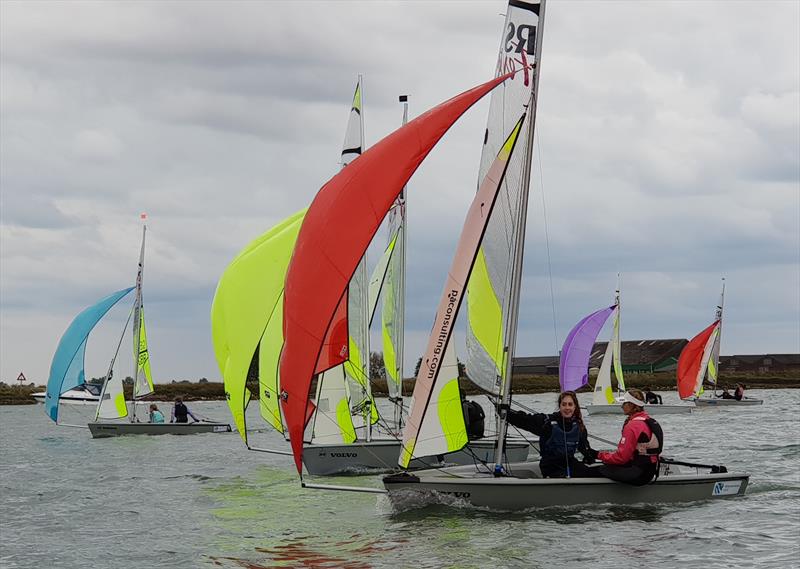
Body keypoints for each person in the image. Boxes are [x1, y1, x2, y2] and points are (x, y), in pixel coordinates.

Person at [504, 391, 597, 478]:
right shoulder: (548, 423)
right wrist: (506, 413)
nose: (567, 408)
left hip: (570, 465)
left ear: (575, 407)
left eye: (570, 404)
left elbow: (585, 449)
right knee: (564, 474)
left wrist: (594, 457)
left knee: (595, 472)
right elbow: (526, 420)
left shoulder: (579, 426)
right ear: (560, 406)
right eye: (564, 404)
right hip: (551, 467)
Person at [593, 389, 663, 486]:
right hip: (650, 470)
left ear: (632, 405)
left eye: (624, 403)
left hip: (640, 474)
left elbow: (622, 458)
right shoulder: (649, 420)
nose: (621, 406)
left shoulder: (633, 425)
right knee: (608, 465)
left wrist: (598, 455)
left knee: (599, 469)